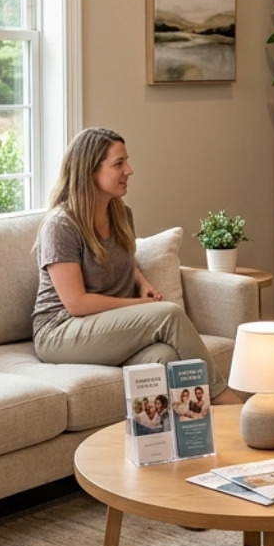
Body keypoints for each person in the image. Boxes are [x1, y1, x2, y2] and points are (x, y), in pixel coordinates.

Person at [33, 127, 233, 400]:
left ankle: (194, 423)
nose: (129, 170)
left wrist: (141, 282)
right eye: (118, 164)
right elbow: (76, 303)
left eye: (126, 161)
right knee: (169, 314)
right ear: (90, 171)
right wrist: (139, 305)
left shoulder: (121, 214)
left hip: (103, 326)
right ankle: (225, 400)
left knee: (165, 356)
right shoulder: (61, 225)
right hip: (60, 331)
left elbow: (120, 257)